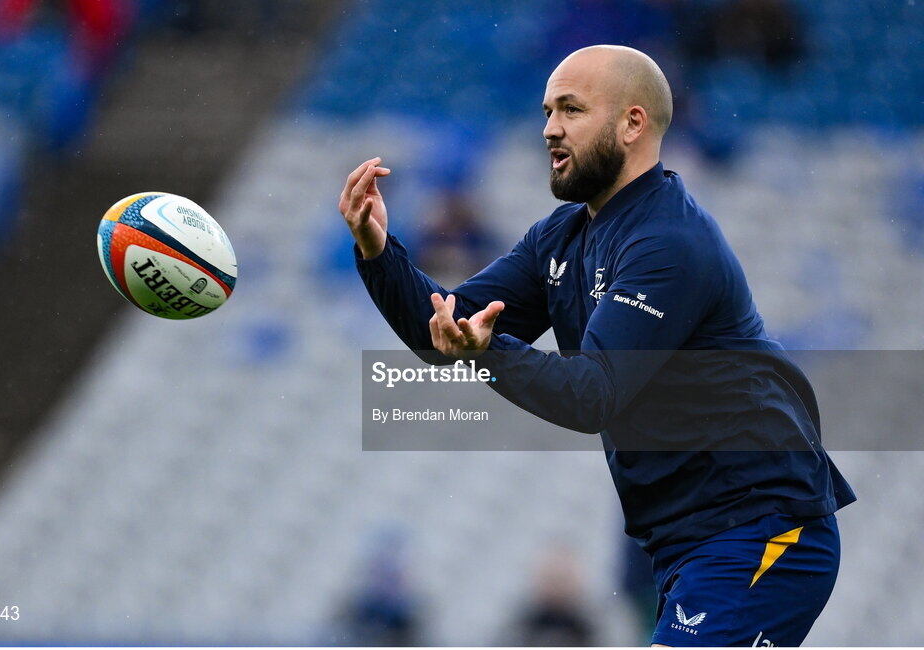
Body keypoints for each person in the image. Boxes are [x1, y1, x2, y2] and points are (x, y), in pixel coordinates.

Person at [338, 45, 855, 646]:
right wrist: (379, 253)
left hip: (767, 527)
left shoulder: (668, 242)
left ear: (632, 123)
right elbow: (444, 331)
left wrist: (484, 352)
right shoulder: (561, 236)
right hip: (687, 541)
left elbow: (592, 396)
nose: (549, 128)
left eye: (570, 110)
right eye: (547, 110)